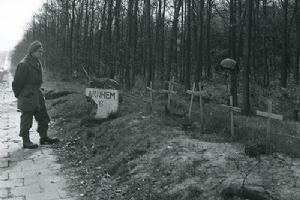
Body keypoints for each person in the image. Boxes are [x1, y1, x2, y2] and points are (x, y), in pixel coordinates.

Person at [12, 41, 59, 149]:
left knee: (43, 116)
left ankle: (44, 137)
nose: (41, 54)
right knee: (27, 119)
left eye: (42, 51)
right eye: (39, 51)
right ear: (32, 51)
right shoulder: (23, 64)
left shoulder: (37, 62)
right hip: (27, 95)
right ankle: (26, 141)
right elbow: (17, 83)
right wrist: (21, 96)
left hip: (37, 93)